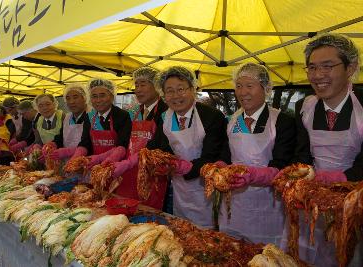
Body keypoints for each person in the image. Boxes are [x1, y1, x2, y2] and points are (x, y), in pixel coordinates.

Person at [113, 66, 227, 228]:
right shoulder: (165, 117)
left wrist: (181, 166)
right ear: (163, 94)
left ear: (193, 89)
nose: (175, 96)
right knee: (182, 227)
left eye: (181, 89)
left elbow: (213, 156)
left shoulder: (211, 116)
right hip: (179, 189)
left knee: (205, 232)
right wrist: (128, 163)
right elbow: (154, 148)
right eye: (169, 91)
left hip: (205, 190)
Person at [287, 33, 363, 266]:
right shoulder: (305, 106)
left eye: (327, 66)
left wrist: (342, 179)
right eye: (312, 67)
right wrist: (300, 178)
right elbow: (302, 153)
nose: (318, 75)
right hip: (315, 199)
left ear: (350, 68)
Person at [217, 63, 296, 246]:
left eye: (249, 86)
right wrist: (219, 166)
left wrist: (255, 175)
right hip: (234, 206)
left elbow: (283, 164)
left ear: (265, 88)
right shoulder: (232, 120)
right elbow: (226, 151)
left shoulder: (281, 121)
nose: (242, 92)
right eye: (238, 86)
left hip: (267, 206)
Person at [111, 67, 168, 209]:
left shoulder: (165, 110)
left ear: (156, 86)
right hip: (133, 172)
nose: (138, 89)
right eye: (136, 85)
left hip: (154, 174)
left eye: (143, 84)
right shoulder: (137, 111)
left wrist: (131, 162)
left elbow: (159, 146)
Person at [69, 78, 131, 165]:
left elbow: (122, 145)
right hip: (92, 165)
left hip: (116, 166)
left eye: (102, 95)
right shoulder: (89, 117)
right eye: (94, 96)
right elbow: (85, 142)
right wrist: (77, 156)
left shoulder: (122, 115)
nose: (98, 100)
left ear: (112, 96)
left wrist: (104, 159)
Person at [43, 84, 89, 160]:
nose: (71, 102)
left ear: (85, 98)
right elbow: (62, 136)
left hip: (86, 162)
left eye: (75, 97)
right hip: (67, 162)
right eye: (68, 98)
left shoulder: (93, 116)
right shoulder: (67, 117)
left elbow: (92, 143)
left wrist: (69, 151)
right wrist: (53, 144)